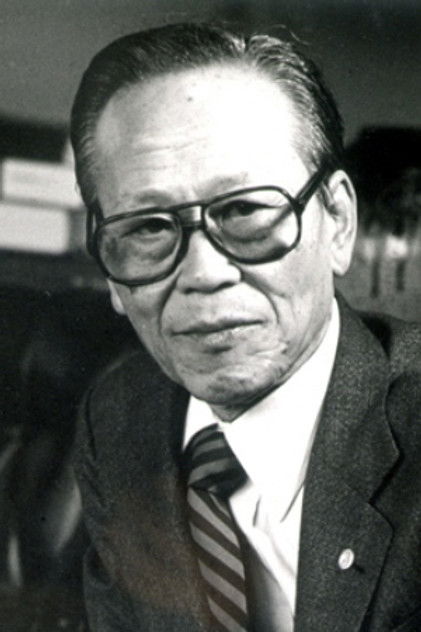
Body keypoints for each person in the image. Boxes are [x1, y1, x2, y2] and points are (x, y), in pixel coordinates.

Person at [70, 22, 421, 632]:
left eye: (245, 210)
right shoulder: (117, 420)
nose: (204, 274)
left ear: (337, 222)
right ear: (109, 270)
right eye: (148, 227)